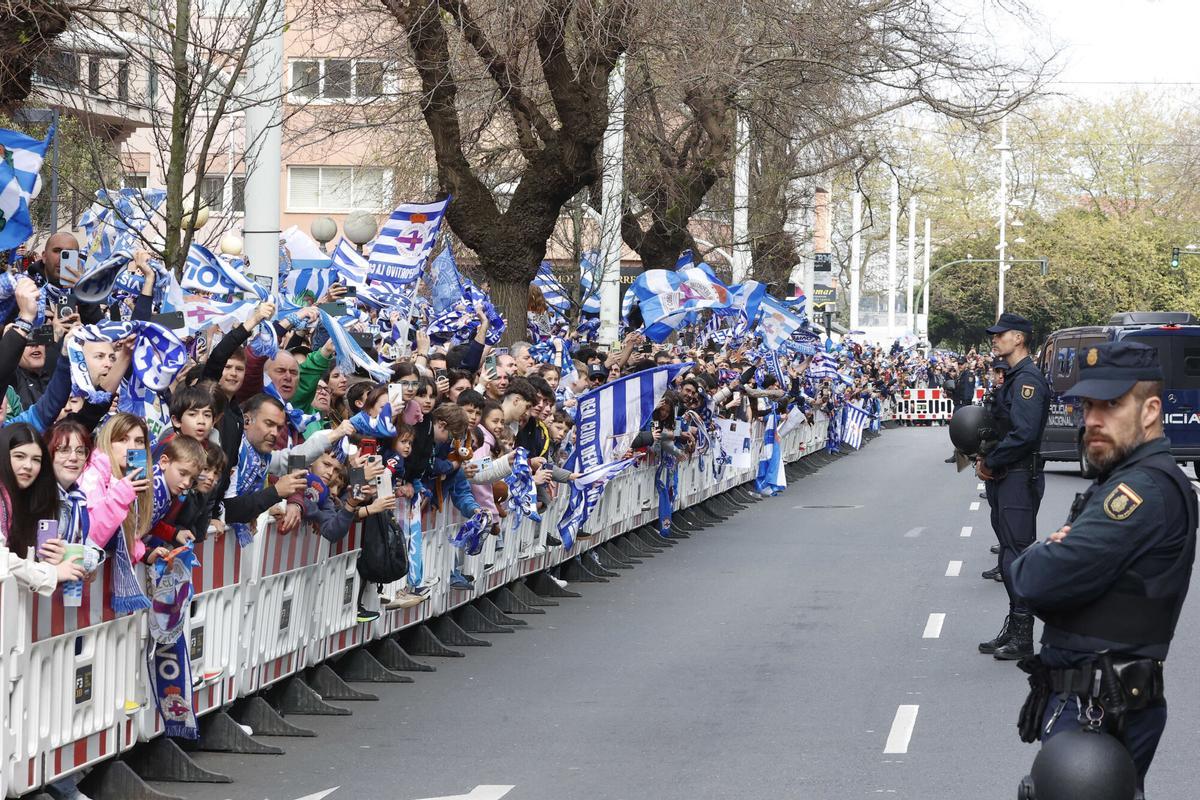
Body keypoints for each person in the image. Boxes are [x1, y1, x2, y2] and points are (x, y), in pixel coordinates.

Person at [1010, 341, 1197, 798]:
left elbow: (1033, 580)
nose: (1092, 419)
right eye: (1089, 404)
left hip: (1101, 706)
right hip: (1093, 700)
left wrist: (1043, 552)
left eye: (1112, 405)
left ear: (1150, 411)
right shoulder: (1122, 478)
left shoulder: (1140, 491)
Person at [976, 312, 1050, 660]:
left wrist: (991, 461)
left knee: (1016, 556)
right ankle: (1014, 625)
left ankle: (1023, 635)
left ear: (1019, 338)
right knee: (1008, 553)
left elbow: (1024, 434)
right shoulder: (1013, 378)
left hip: (1019, 475)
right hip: (1008, 476)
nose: (995, 339)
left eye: (1000, 334)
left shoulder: (1027, 381)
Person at [0, 423, 83, 594]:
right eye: (19, 456)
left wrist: (52, 559)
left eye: (36, 459)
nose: (28, 466)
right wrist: (50, 574)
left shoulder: (31, 502)